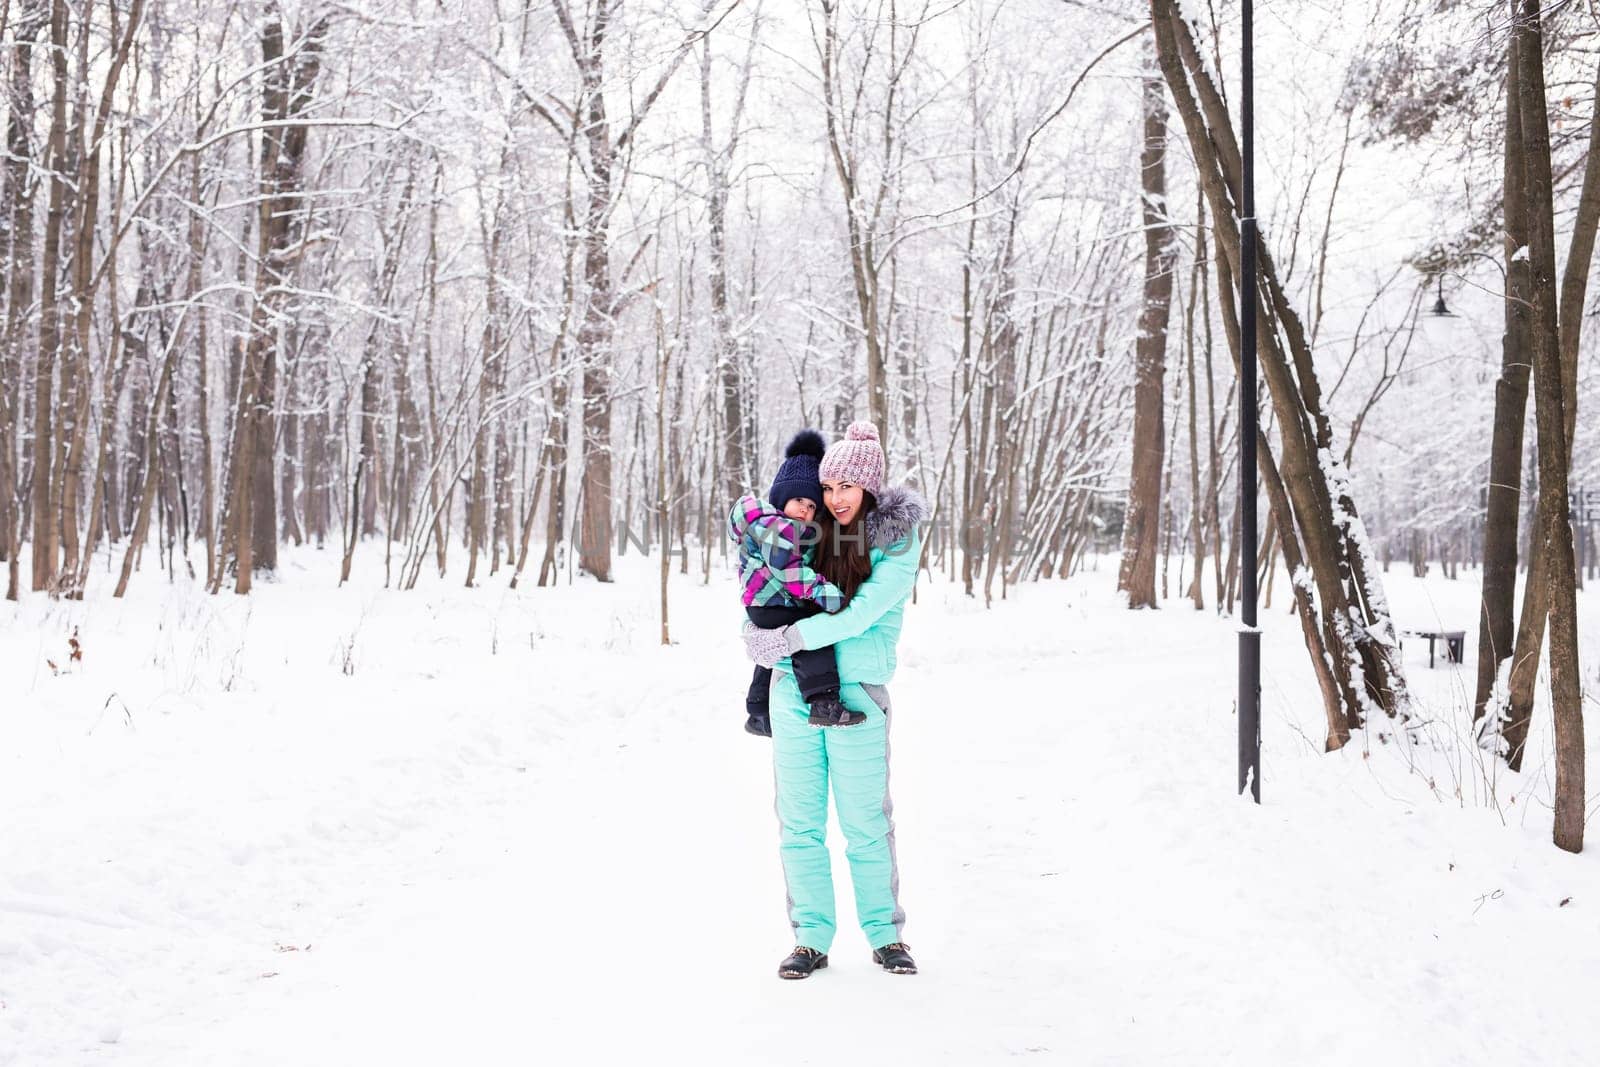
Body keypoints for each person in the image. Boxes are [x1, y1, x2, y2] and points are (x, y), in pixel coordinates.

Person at [742, 421, 928, 980]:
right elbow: (769, 589)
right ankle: (810, 938)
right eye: (828, 487)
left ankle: (885, 935)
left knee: (865, 822)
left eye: (847, 486)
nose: (835, 498)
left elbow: (861, 615)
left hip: (860, 699)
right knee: (799, 824)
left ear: (869, 488)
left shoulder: (895, 542)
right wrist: (761, 638)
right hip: (792, 691)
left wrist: (790, 639)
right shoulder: (810, 534)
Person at [729, 430, 861, 737]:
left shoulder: (776, 527)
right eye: (799, 500)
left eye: (812, 506)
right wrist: (827, 595)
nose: (805, 508)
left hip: (764, 604)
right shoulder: (775, 527)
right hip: (772, 602)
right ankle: (823, 702)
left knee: (774, 648)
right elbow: (790, 572)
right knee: (811, 636)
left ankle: (758, 710)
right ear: (781, 498)